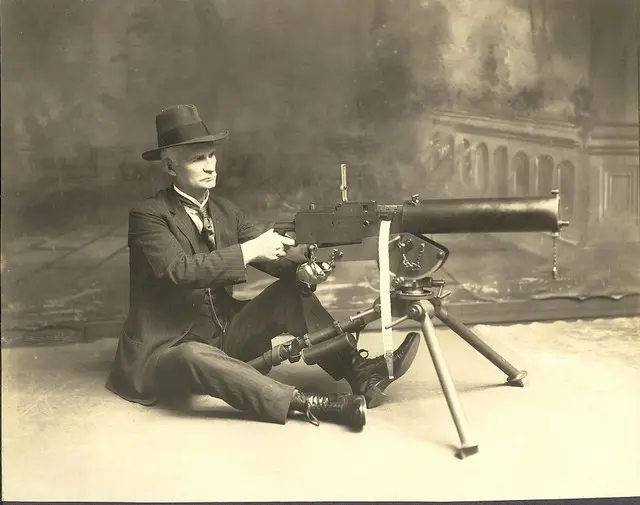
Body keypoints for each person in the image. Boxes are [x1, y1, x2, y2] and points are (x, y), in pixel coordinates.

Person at [105, 104, 420, 431]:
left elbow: (275, 253)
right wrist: (252, 249)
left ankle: (359, 372)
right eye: (198, 159)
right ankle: (308, 404)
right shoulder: (147, 216)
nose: (211, 166)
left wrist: (302, 269)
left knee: (289, 293)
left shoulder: (227, 212)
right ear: (170, 167)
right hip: (166, 353)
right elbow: (180, 271)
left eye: (212, 155)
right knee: (191, 354)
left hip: (225, 339)